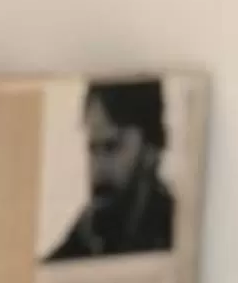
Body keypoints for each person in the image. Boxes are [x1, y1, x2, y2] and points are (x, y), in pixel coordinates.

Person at [49, 79, 174, 261]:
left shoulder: (174, 229)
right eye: (93, 149)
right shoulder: (87, 232)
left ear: (151, 147)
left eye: (111, 147)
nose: (98, 167)